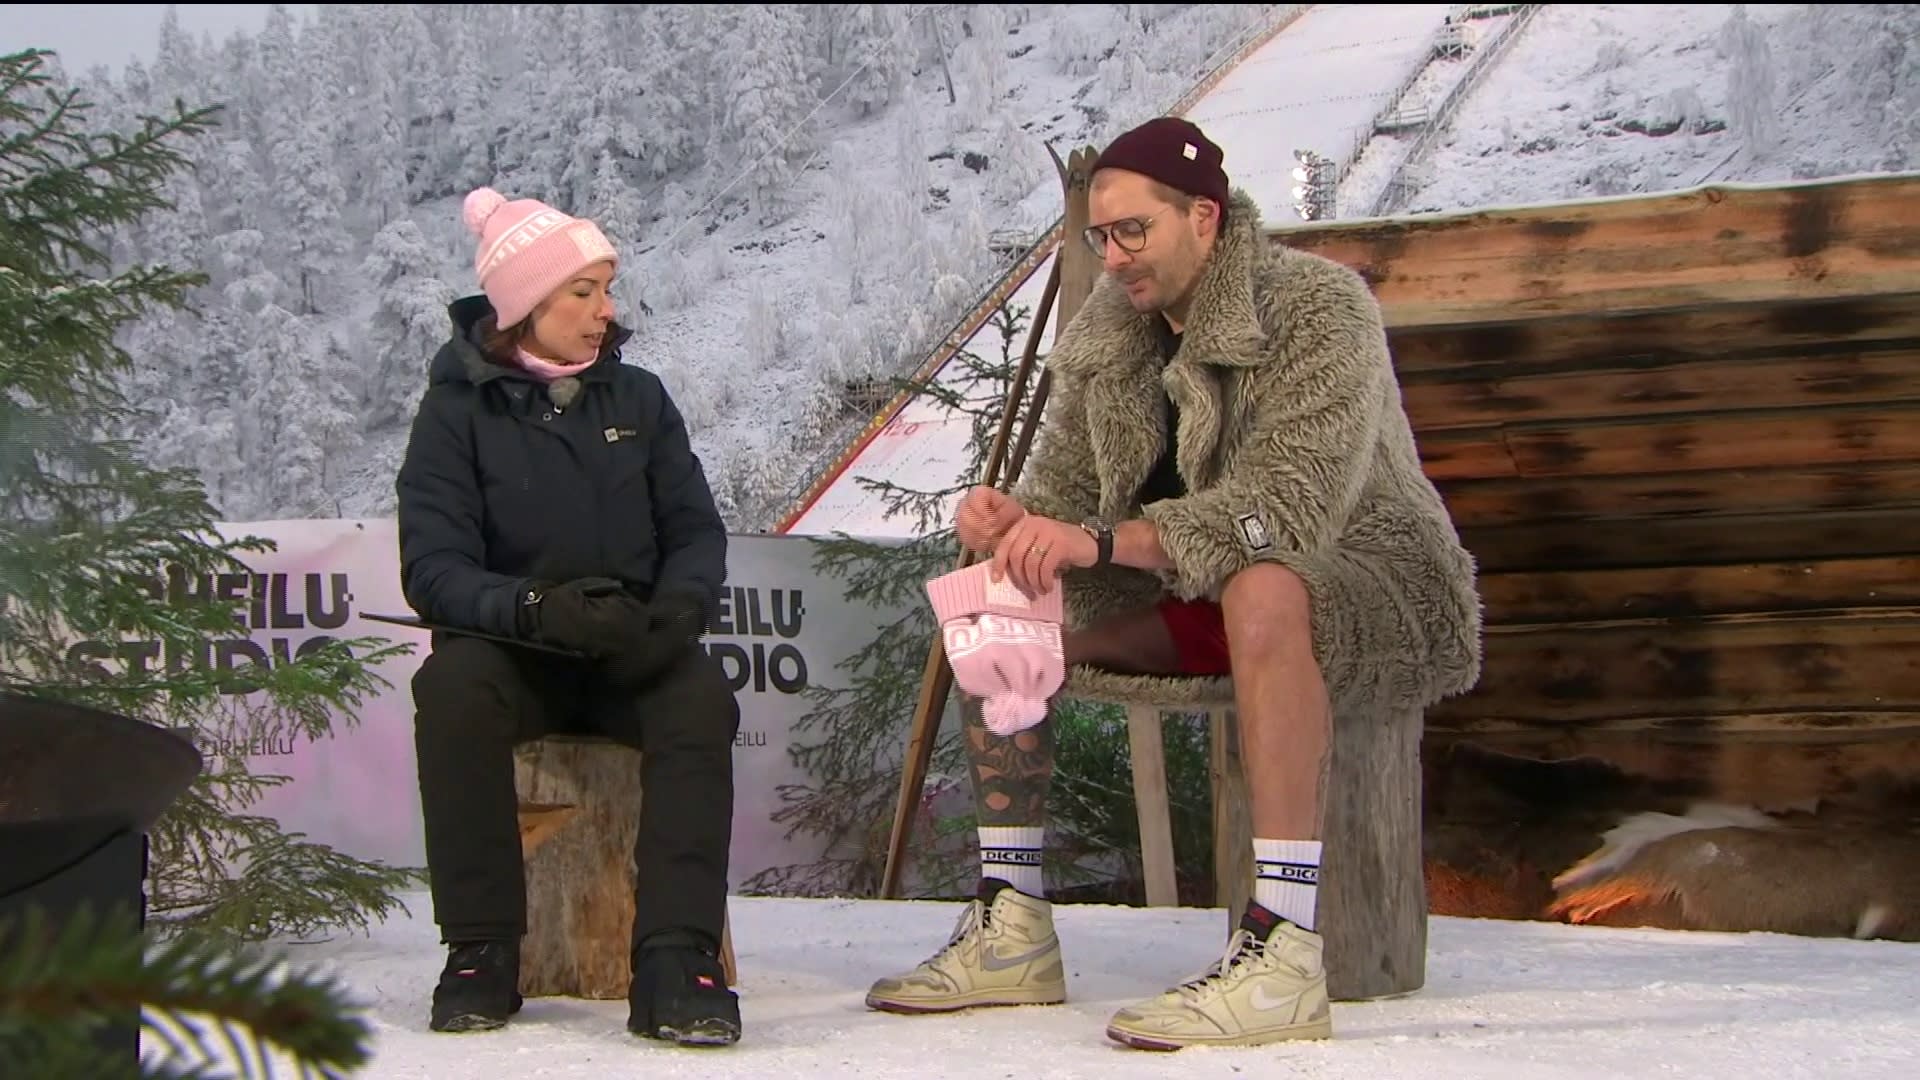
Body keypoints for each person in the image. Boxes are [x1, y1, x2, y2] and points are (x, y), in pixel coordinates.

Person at [864, 117, 1483, 1050]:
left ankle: (1282, 950)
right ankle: (1012, 922)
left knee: (1264, 581)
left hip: (1365, 579)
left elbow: (1287, 510)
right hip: (1191, 595)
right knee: (995, 603)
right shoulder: (1110, 331)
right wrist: (1012, 522)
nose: (1113, 256)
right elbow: (1062, 495)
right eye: (1100, 236)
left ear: (1203, 216)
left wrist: (1096, 542)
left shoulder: (1317, 307)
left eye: (1133, 231)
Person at [394, 187, 744, 1046]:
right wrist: (532, 607)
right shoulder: (454, 411)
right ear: (525, 307)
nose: (605, 311)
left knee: (699, 698)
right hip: (514, 650)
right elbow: (433, 571)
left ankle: (678, 960)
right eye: (583, 292)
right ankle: (480, 952)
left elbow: (694, 531)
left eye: (607, 289)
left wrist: (674, 617)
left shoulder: (639, 399)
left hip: (629, 648)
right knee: (451, 689)